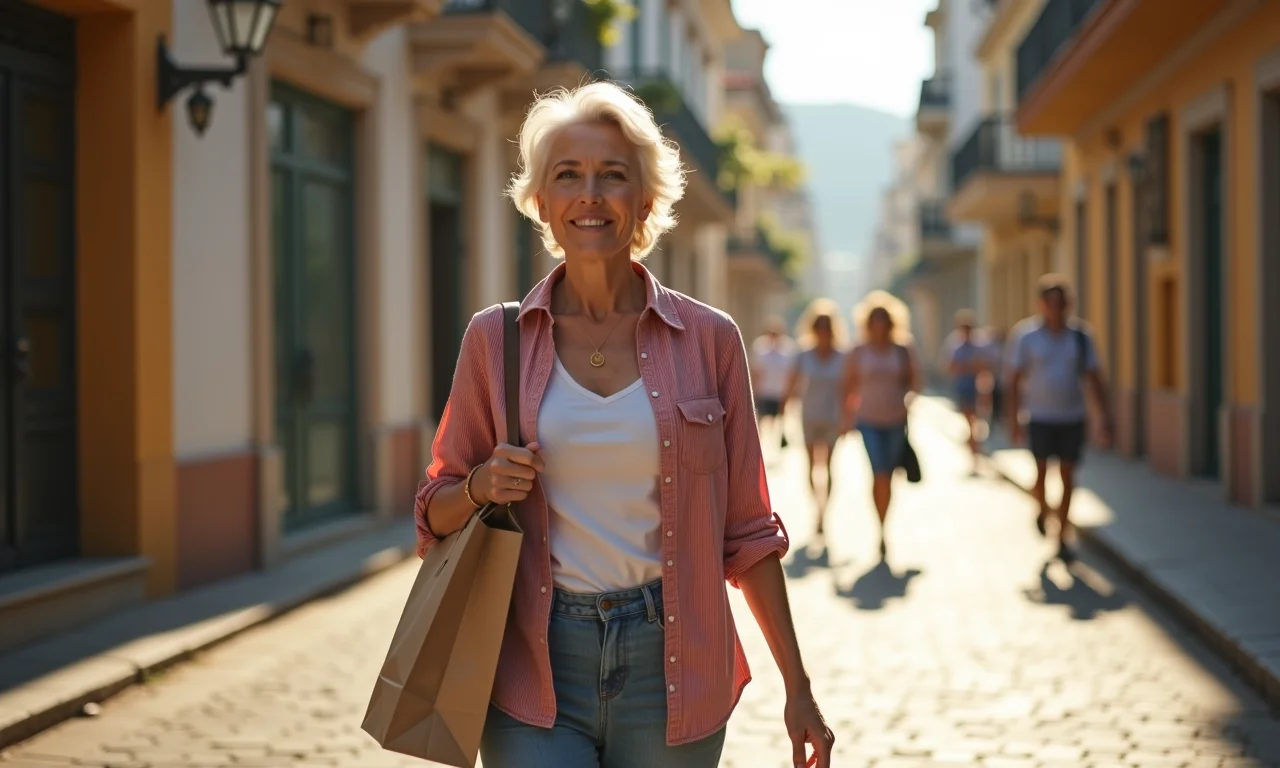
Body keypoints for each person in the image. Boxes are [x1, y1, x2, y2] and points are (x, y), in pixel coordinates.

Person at [415, 82, 833, 768]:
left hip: (674, 667)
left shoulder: (709, 340)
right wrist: (484, 483)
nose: (590, 193)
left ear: (645, 199)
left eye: (612, 175)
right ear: (541, 203)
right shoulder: (496, 341)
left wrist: (799, 687)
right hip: (533, 667)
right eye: (567, 176)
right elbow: (434, 509)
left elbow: (750, 532)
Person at [1007, 275, 1114, 564]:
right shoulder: (1027, 336)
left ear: (1068, 304)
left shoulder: (1080, 337)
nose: (1056, 308)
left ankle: (1062, 535)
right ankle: (1042, 508)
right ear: (1041, 304)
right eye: (1050, 302)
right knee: (1041, 474)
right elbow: (1014, 379)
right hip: (1039, 417)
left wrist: (1105, 417)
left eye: (1061, 302)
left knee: (1068, 476)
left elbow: (1093, 378)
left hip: (1071, 417)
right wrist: (1013, 419)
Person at [843, 291, 920, 561]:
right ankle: (881, 529)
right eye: (874, 319)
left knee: (889, 476)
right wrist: (846, 418)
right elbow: (849, 386)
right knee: (880, 473)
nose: (879, 324)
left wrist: (909, 399)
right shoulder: (858, 350)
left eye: (883, 319)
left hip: (896, 420)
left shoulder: (902, 348)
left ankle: (885, 521)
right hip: (868, 421)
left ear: (891, 322)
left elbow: (914, 381)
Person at [780, 300, 848, 536]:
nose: (823, 330)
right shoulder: (803, 354)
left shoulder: (843, 356)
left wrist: (849, 417)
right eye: (819, 326)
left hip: (833, 417)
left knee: (828, 466)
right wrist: (783, 409)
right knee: (810, 466)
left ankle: (824, 512)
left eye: (826, 326)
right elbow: (791, 382)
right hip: (808, 416)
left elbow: (849, 389)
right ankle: (814, 508)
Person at [942, 309, 987, 474]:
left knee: (975, 424)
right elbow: (949, 366)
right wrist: (968, 366)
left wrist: (967, 367)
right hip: (962, 389)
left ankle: (975, 453)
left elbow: (984, 366)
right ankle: (973, 454)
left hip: (977, 389)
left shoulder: (979, 344)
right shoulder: (954, 345)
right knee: (970, 424)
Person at [750, 316, 797, 456]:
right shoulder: (760, 347)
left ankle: (776, 448)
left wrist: (789, 394)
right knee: (762, 421)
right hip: (764, 392)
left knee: (779, 422)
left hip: (780, 392)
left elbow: (791, 373)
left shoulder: (788, 349)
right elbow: (755, 371)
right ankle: (761, 448)